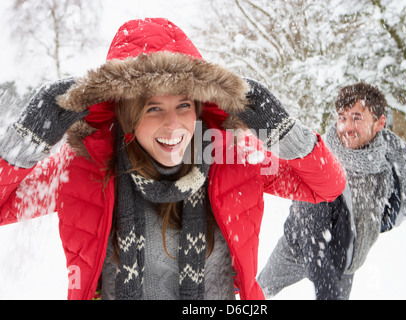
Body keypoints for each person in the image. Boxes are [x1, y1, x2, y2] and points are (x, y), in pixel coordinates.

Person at [0, 18, 346, 300]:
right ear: (127, 115)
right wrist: (23, 143)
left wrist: (283, 131)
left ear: (198, 108)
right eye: (153, 108)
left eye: (184, 105)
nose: (173, 125)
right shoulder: (85, 164)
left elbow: (325, 186)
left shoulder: (228, 155)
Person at [257, 82, 406, 300]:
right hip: (298, 249)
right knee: (257, 294)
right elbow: (311, 231)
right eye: (342, 117)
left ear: (379, 123)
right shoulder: (322, 158)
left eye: (357, 118)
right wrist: (326, 287)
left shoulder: (387, 156)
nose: (347, 127)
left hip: (345, 256)